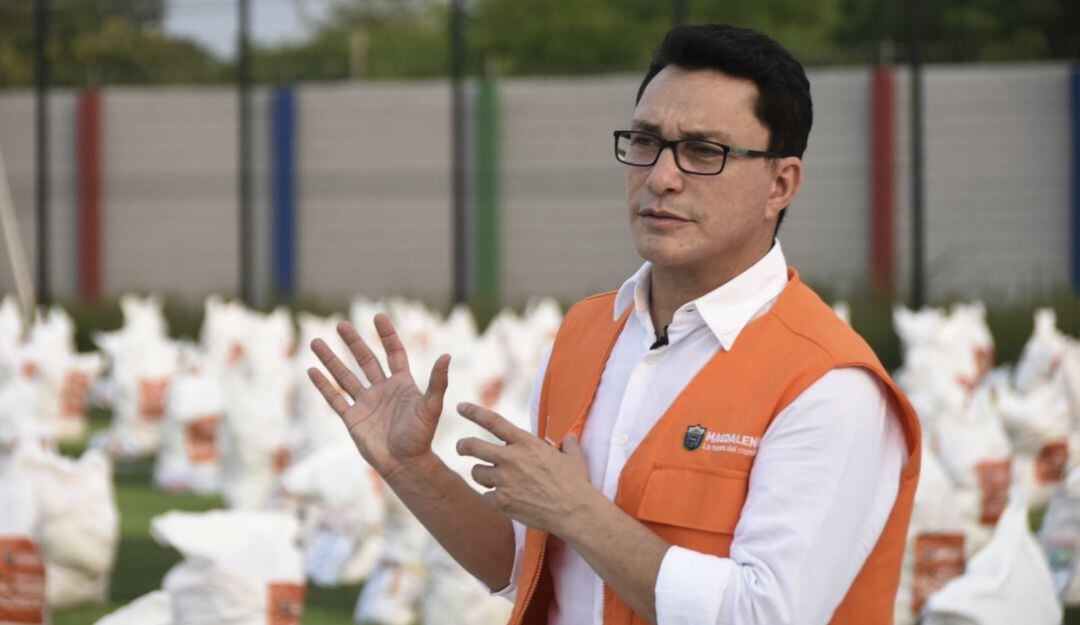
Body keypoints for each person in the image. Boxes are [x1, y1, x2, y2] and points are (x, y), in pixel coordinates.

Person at [308, 23, 921, 625]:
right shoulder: (588, 330)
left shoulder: (828, 382)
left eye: (703, 152)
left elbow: (764, 614)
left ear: (780, 185)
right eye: (646, 141)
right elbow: (532, 567)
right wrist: (411, 468)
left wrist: (578, 512)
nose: (661, 177)